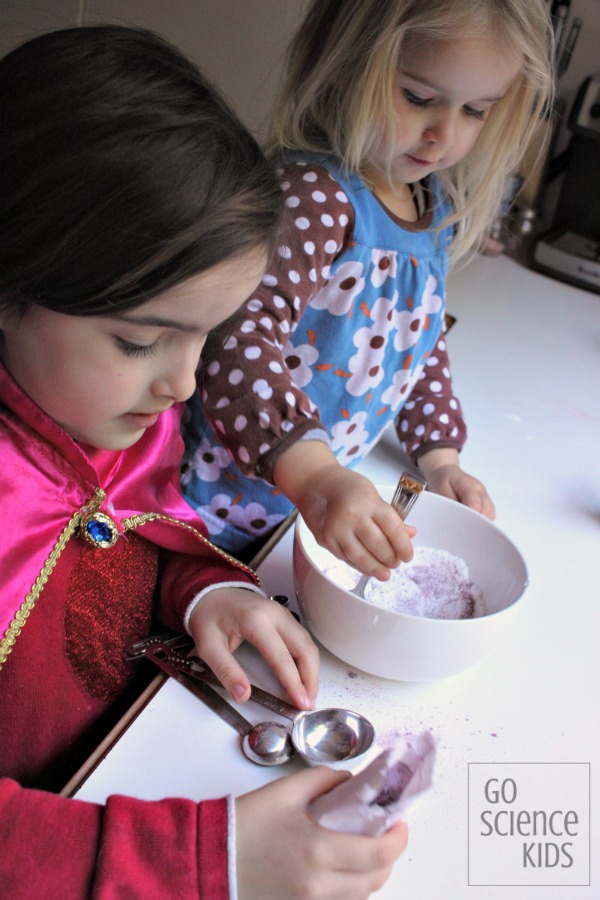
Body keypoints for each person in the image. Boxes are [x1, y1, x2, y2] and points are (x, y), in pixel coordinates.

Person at [0, 26, 407, 899]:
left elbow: (133, 538)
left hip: (139, 759)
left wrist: (202, 593)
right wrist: (207, 859)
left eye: (206, 337)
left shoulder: (110, 407)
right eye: (142, 341)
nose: (184, 383)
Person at [182, 0, 554, 579]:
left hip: (319, 515)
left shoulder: (433, 208)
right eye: (418, 97)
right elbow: (235, 340)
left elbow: (419, 340)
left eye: (476, 110)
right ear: (347, 66)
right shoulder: (315, 196)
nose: (444, 134)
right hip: (229, 512)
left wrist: (440, 457)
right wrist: (316, 475)